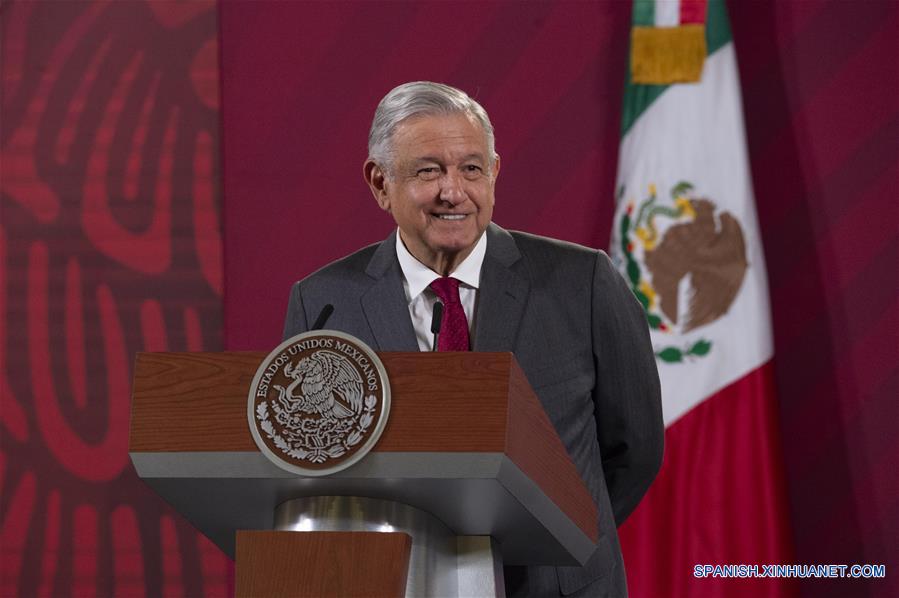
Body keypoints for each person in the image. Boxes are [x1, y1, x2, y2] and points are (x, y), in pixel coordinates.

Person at [282, 81, 663, 597]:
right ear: (380, 183)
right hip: (394, 580)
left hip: (557, 585)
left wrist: (549, 536)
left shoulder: (584, 283)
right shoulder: (324, 302)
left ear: (494, 173)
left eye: (471, 168)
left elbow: (634, 450)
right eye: (428, 170)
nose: (453, 191)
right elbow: (306, 463)